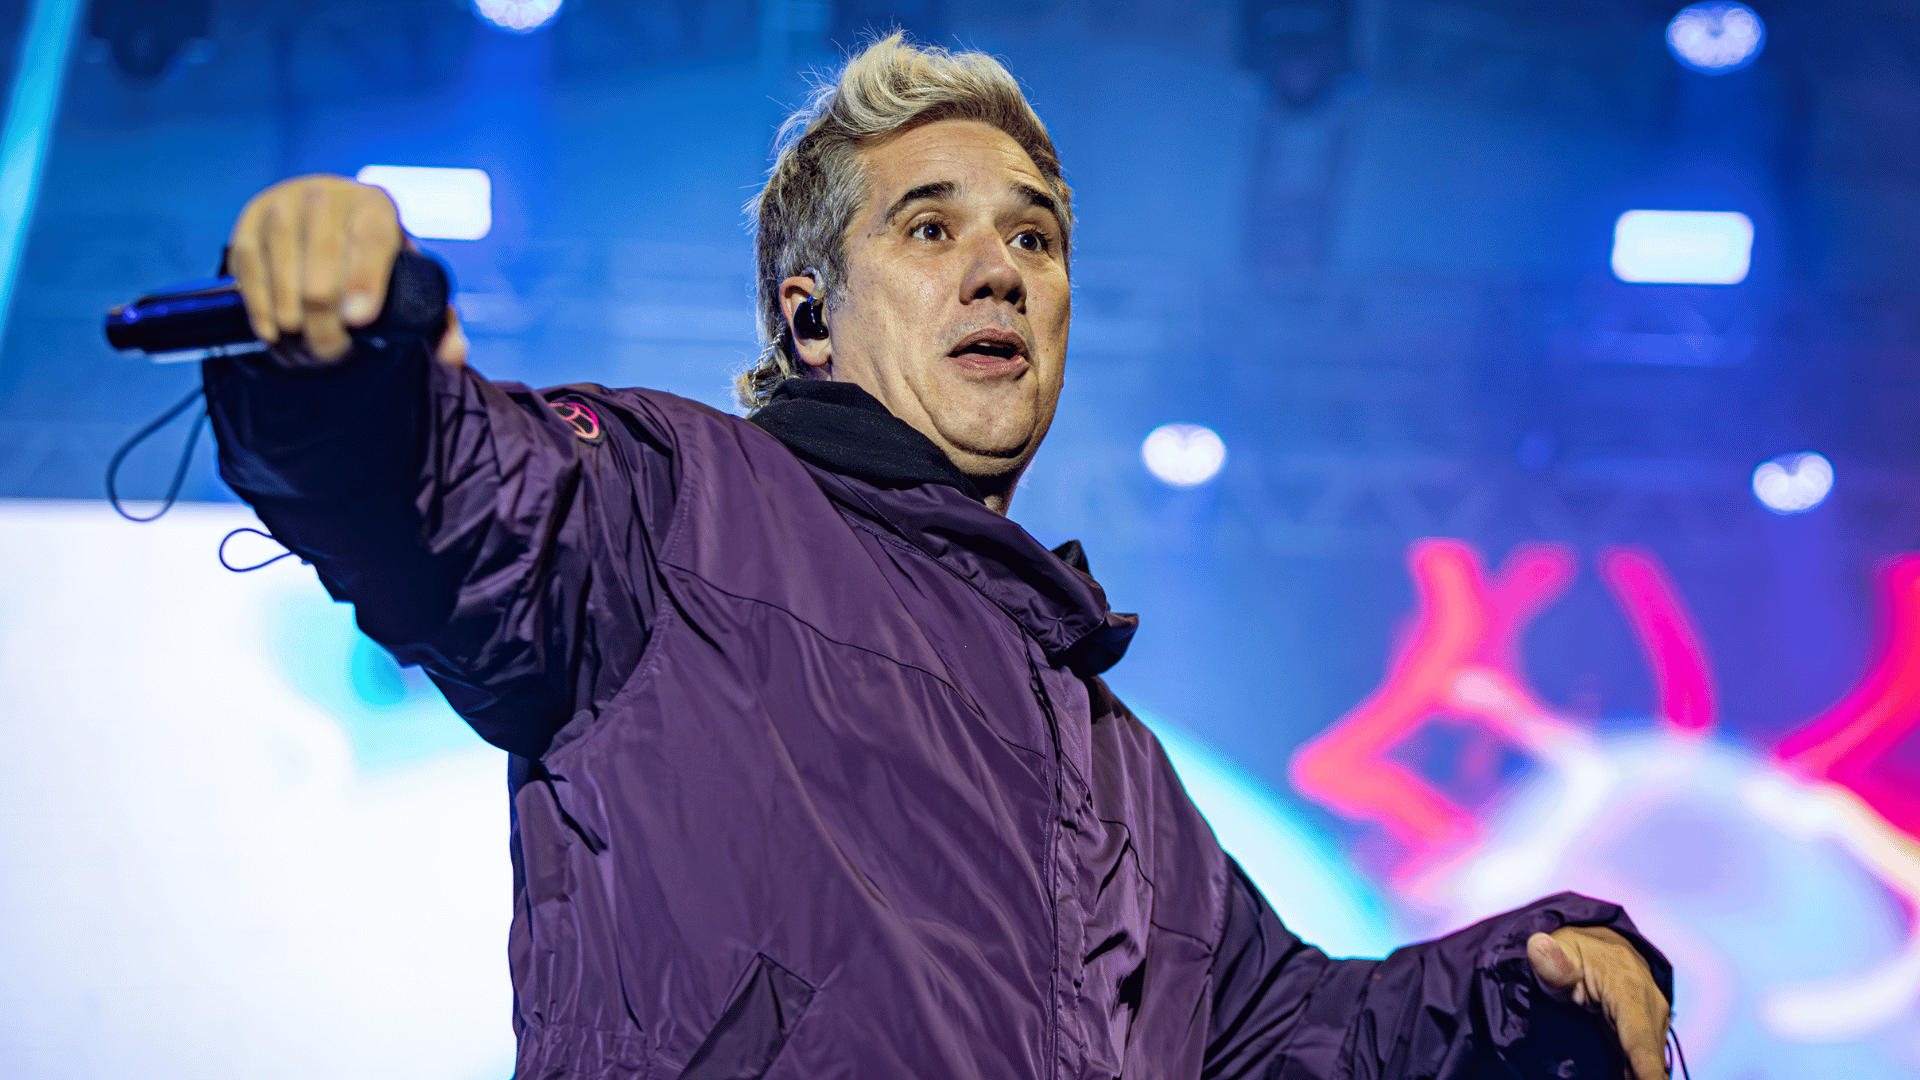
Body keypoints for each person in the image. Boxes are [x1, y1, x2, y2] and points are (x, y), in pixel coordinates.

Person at [206, 34, 1674, 1080]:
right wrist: (347, 358)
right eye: (932, 227)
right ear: (811, 316)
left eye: (1036, 243)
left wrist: (1516, 975)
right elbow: (447, 497)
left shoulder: (1117, 769)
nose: (1001, 271)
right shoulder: (666, 501)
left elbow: (1288, 1034)